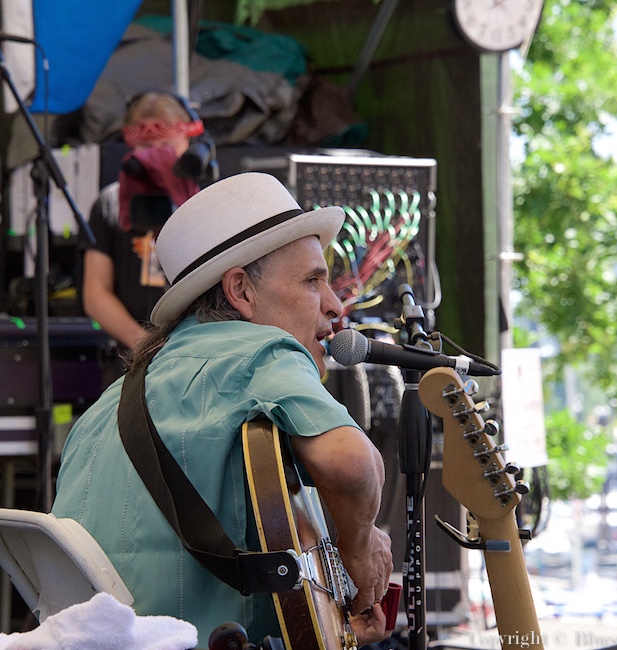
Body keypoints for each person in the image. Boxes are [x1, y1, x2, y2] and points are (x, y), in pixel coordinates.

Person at [53, 172, 393, 644]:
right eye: (313, 281)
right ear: (241, 292)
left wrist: (334, 629)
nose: (336, 306)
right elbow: (351, 464)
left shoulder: (101, 411)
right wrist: (361, 546)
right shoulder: (264, 351)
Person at [81, 91, 203, 388]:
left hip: (200, 360)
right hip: (131, 365)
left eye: (165, 145)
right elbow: (95, 294)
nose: (156, 155)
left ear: (186, 141)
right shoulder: (110, 203)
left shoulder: (209, 200)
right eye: (147, 147)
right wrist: (145, 345)